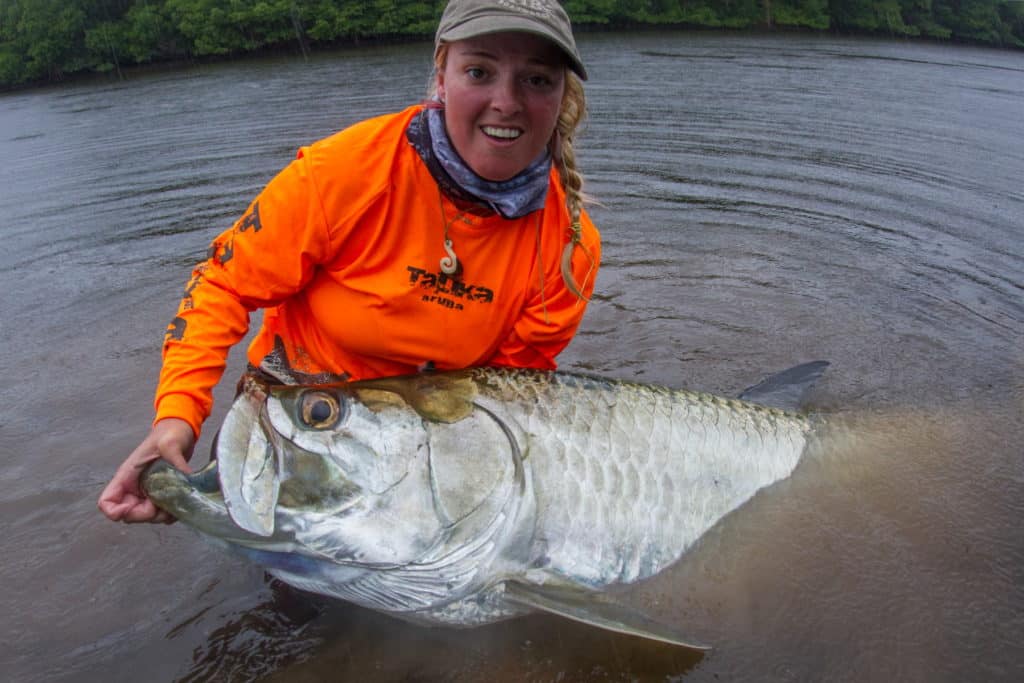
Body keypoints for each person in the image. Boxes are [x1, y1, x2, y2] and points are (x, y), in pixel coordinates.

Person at [99, 0, 600, 524]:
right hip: (298, 431)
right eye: (479, 71)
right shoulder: (343, 175)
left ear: (562, 95)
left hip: (423, 450)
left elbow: (509, 392)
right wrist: (177, 418)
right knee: (287, 597)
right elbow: (221, 286)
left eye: (537, 80)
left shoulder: (570, 248)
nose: (506, 101)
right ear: (442, 76)